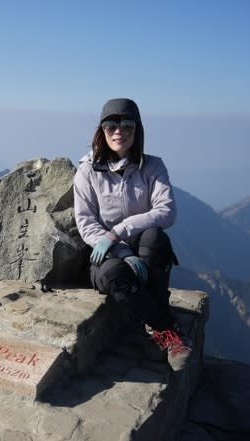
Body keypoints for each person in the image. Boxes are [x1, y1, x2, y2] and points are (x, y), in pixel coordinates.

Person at [73, 98, 191, 371]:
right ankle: (166, 327)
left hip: (139, 248)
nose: (118, 131)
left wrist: (118, 232)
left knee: (155, 238)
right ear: (101, 130)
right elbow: (86, 222)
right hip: (106, 254)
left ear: (137, 130)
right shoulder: (87, 172)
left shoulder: (153, 167)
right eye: (110, 125)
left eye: (127, 125)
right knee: (115, 273)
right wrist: (120, 250)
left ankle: (157, 325)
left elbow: (167, 212)